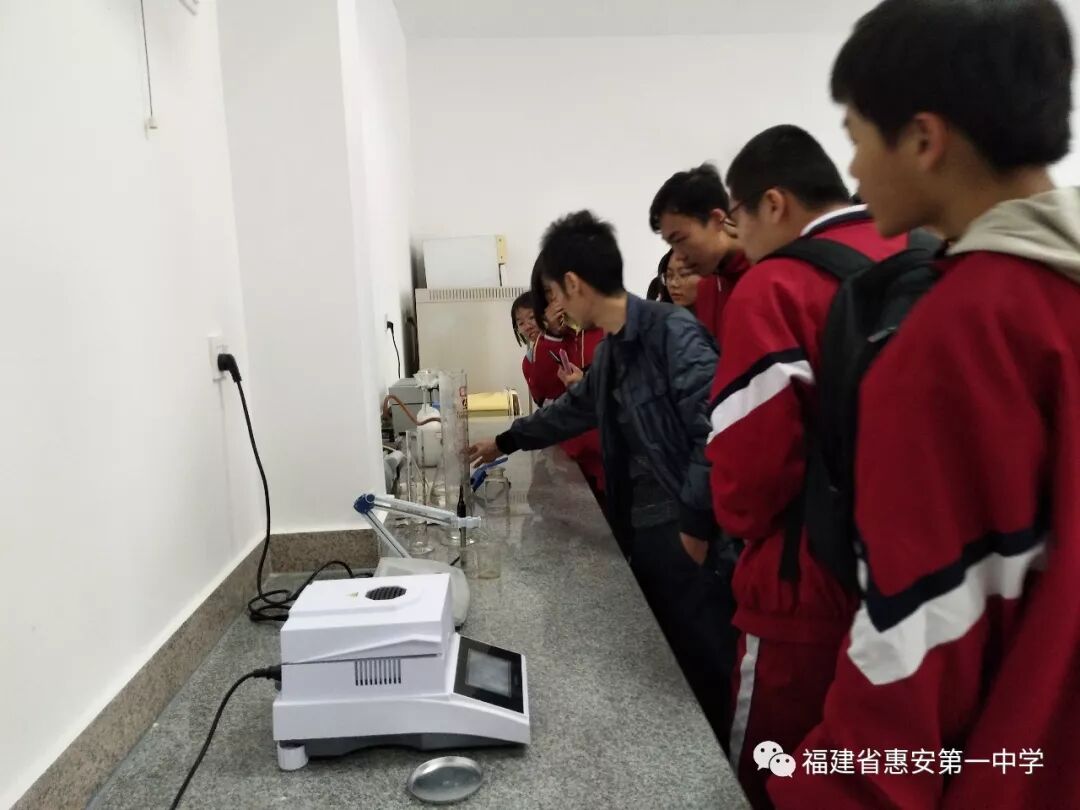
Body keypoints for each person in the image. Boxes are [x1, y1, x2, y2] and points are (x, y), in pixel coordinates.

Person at [770, 2, 1080, 808]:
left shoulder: (960, 333)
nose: (852, 169)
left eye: (855, 136)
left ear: (923, 139)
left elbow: (915, 649)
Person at [470, 211, 737, 740]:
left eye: (553, 295)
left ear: (573, 284)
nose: (554, 310)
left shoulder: (672, 333)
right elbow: (573, 410)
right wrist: (504, 441)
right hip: (646, 521)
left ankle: (726, 769)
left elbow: (716, 433)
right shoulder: (616, 348)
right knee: (669, 665)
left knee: (704, 665)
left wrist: (696, 523)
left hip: (683, 527)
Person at [705, 124, 909, 809]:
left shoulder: (776, 286)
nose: (739, 239)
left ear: (774, 203)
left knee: (767, 778)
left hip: (803, 588)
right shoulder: (914, 251)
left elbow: (749, 480)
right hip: (909, 586)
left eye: (737, 219)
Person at [511, 291, 605, 498]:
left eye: (532, 317)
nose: (527, 326)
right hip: (566, 441)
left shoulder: (579, 337)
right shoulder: (533, 357)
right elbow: (542, 395)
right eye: (520, 322)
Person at [650, 163, 750, 342]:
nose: (679, 256)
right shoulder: (706, 289)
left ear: (717, 219)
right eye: (671, 244)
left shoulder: (769, 270)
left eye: (680, 239)